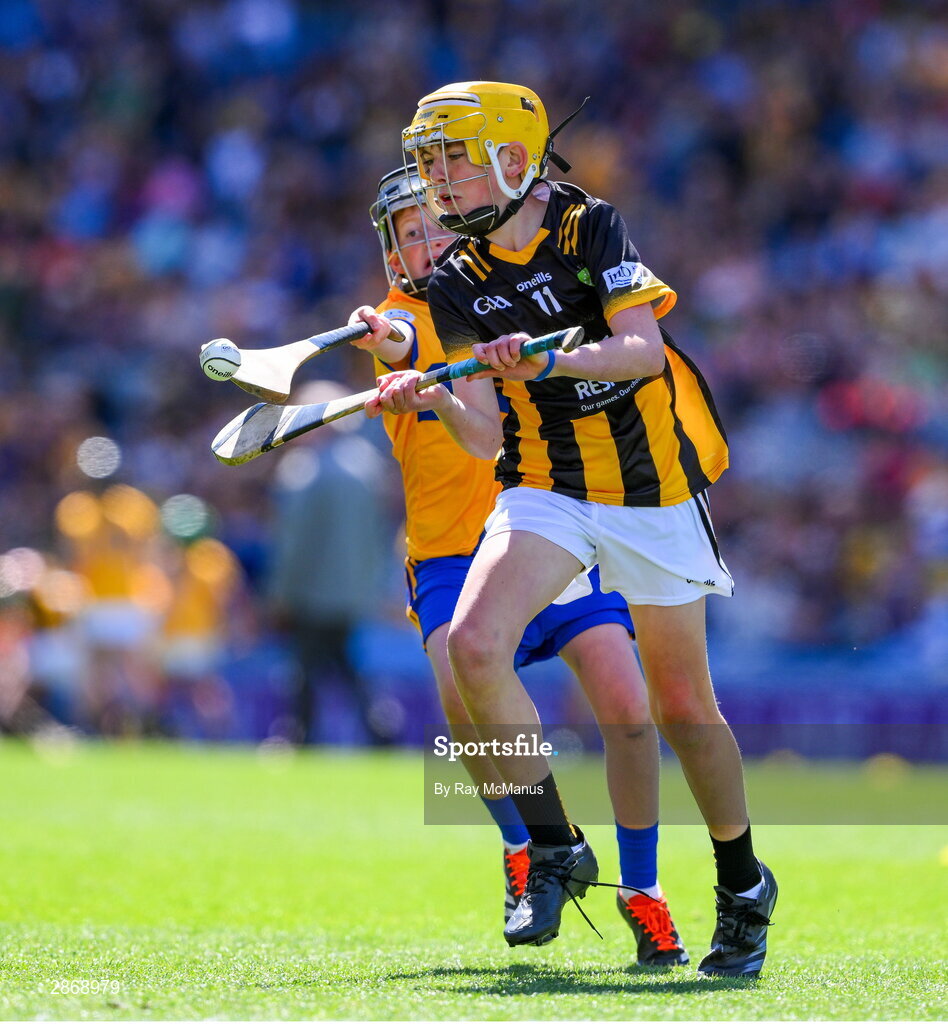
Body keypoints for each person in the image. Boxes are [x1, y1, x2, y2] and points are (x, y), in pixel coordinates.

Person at [366, 82, 777, 977]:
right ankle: (553, 845)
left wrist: (545, 354)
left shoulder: (592, 228)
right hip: (544, 485)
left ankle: (743, 881)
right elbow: (482, 432)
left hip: (648, 488)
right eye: (429, 165)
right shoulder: (459, 282)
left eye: (453, 162)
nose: (438, 183)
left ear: (513, 158)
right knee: (473, 647)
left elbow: (641, 351)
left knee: (680, 711)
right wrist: (438, 388)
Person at [349, 165, 688, 965]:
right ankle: (532, 845)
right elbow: (411, 342)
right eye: (410, 233)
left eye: (434, 222)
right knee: (458, 700)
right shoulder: (391, 322)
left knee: (627, 706)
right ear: (392, 250)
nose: (426, 240)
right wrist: (409, 369)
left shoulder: (502, 290)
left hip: (548, 524)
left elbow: (496, 431)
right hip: (447, 548)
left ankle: (643, 888)